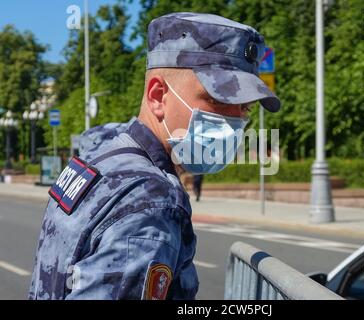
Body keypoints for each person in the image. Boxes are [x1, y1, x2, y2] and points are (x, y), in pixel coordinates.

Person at [28, 12, 281, 300]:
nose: (236, 119)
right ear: (158, 95)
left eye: (245, 107)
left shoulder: (101, 154)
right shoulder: (154, 198)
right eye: (218, 99)